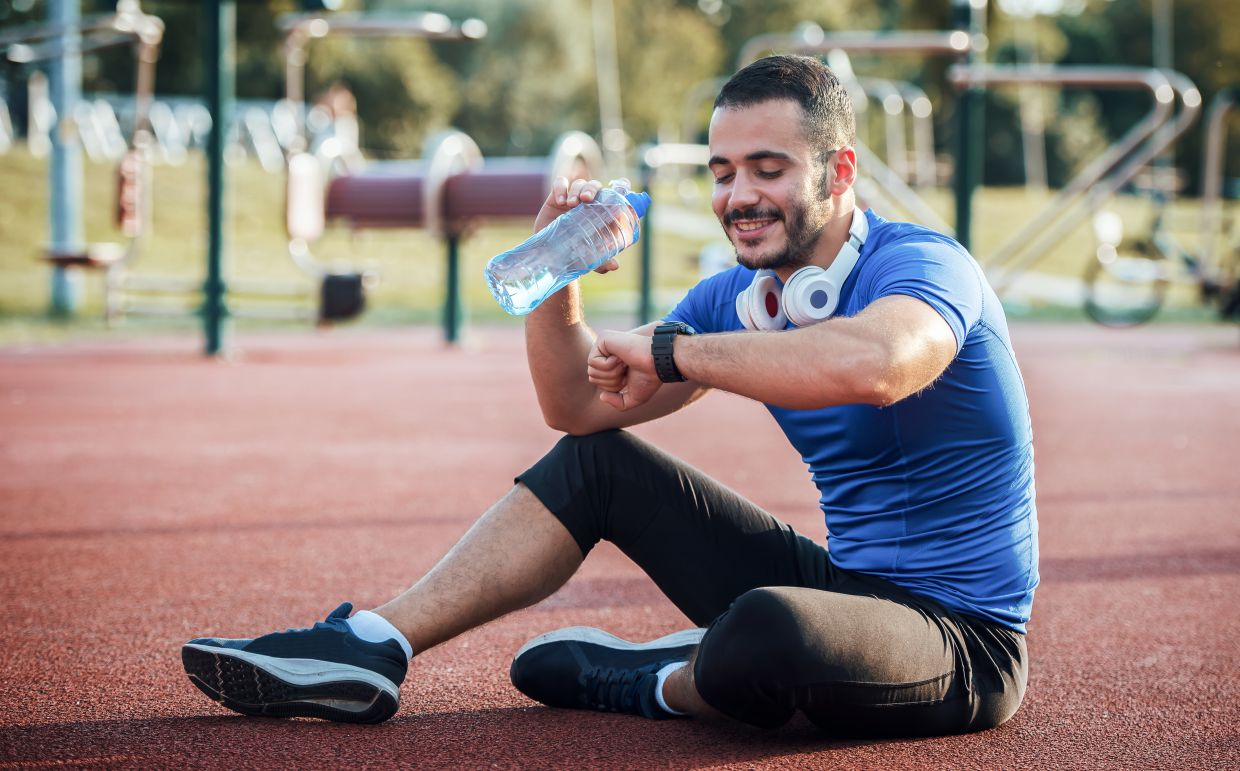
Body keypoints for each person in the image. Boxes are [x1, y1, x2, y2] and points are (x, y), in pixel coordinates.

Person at [181, 55, 1038, 738]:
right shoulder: (737, 298)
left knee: (768, 631)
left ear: (840, 169)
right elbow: (577, 407)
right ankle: (369, 644)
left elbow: (880, 364)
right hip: (845, 589)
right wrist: (559, 272)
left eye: (768, 169)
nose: (738, 197)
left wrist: (678, 351)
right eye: (724, 171)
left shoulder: (922, 267)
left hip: (963, 639)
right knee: (600, 463)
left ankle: (661, 682)